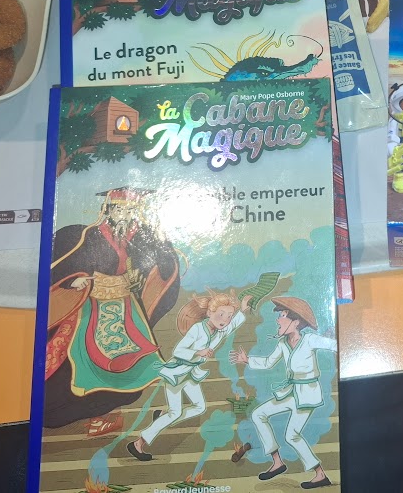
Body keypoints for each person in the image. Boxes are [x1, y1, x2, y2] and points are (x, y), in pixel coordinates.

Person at [44, 187, 181, 436]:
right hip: (91, 307)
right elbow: (64, 263)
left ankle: (102, 416)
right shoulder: (88, 235)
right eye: (119, 210)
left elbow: (161, 260)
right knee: (75, 363)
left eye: (130, 211)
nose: (124, 215)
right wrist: (73, 280)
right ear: (108, 210)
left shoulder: (141, 236)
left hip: (125, 309)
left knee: (132, 370)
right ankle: (71, 411)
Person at [127, 291, 253, 461]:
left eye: (229, 316)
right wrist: (198, 352)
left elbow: (233, 325)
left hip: (191, 373)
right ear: (209, 312)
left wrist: (242, 310)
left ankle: (163, 416)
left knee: (199, 407)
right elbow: (179, 351)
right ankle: (139, 443)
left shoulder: (220, 331)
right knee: (175, 413)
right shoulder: (197, 329)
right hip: (177, 373)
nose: (225, 319)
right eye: (221, 314)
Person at [230, 296, 337, 490]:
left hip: (307, 395)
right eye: (279, 315)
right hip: (290, 392)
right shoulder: (282, 344)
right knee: (258, 414)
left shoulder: (309, 340)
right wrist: (247, 360)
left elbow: (334, 345)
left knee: (292, 435)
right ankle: (277, 462)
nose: (278, 319)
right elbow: (268, 362)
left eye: (283, 315)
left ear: (296, 322)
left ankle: (320, 474)